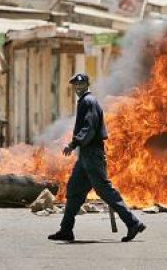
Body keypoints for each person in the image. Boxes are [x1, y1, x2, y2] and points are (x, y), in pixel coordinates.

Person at [48, 73, 146, 242]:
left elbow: (89, 127)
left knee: (104, 190)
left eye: (81, 84)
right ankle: (66, 230)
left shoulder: (89, 101)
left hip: (92, 153)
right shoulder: (85, 101)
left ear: (87, 84)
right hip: (85, 156)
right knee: (73, 190)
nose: (78, 87)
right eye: (76, 85)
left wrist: (73, 143)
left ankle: (133, 223)